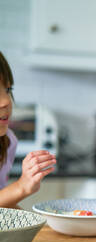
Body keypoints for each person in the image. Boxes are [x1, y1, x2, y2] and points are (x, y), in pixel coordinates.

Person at [0, 51, 56, 208]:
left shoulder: (7, 142)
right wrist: (21, 187)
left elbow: (3, 206)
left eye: (8, 90)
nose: (6, 102)